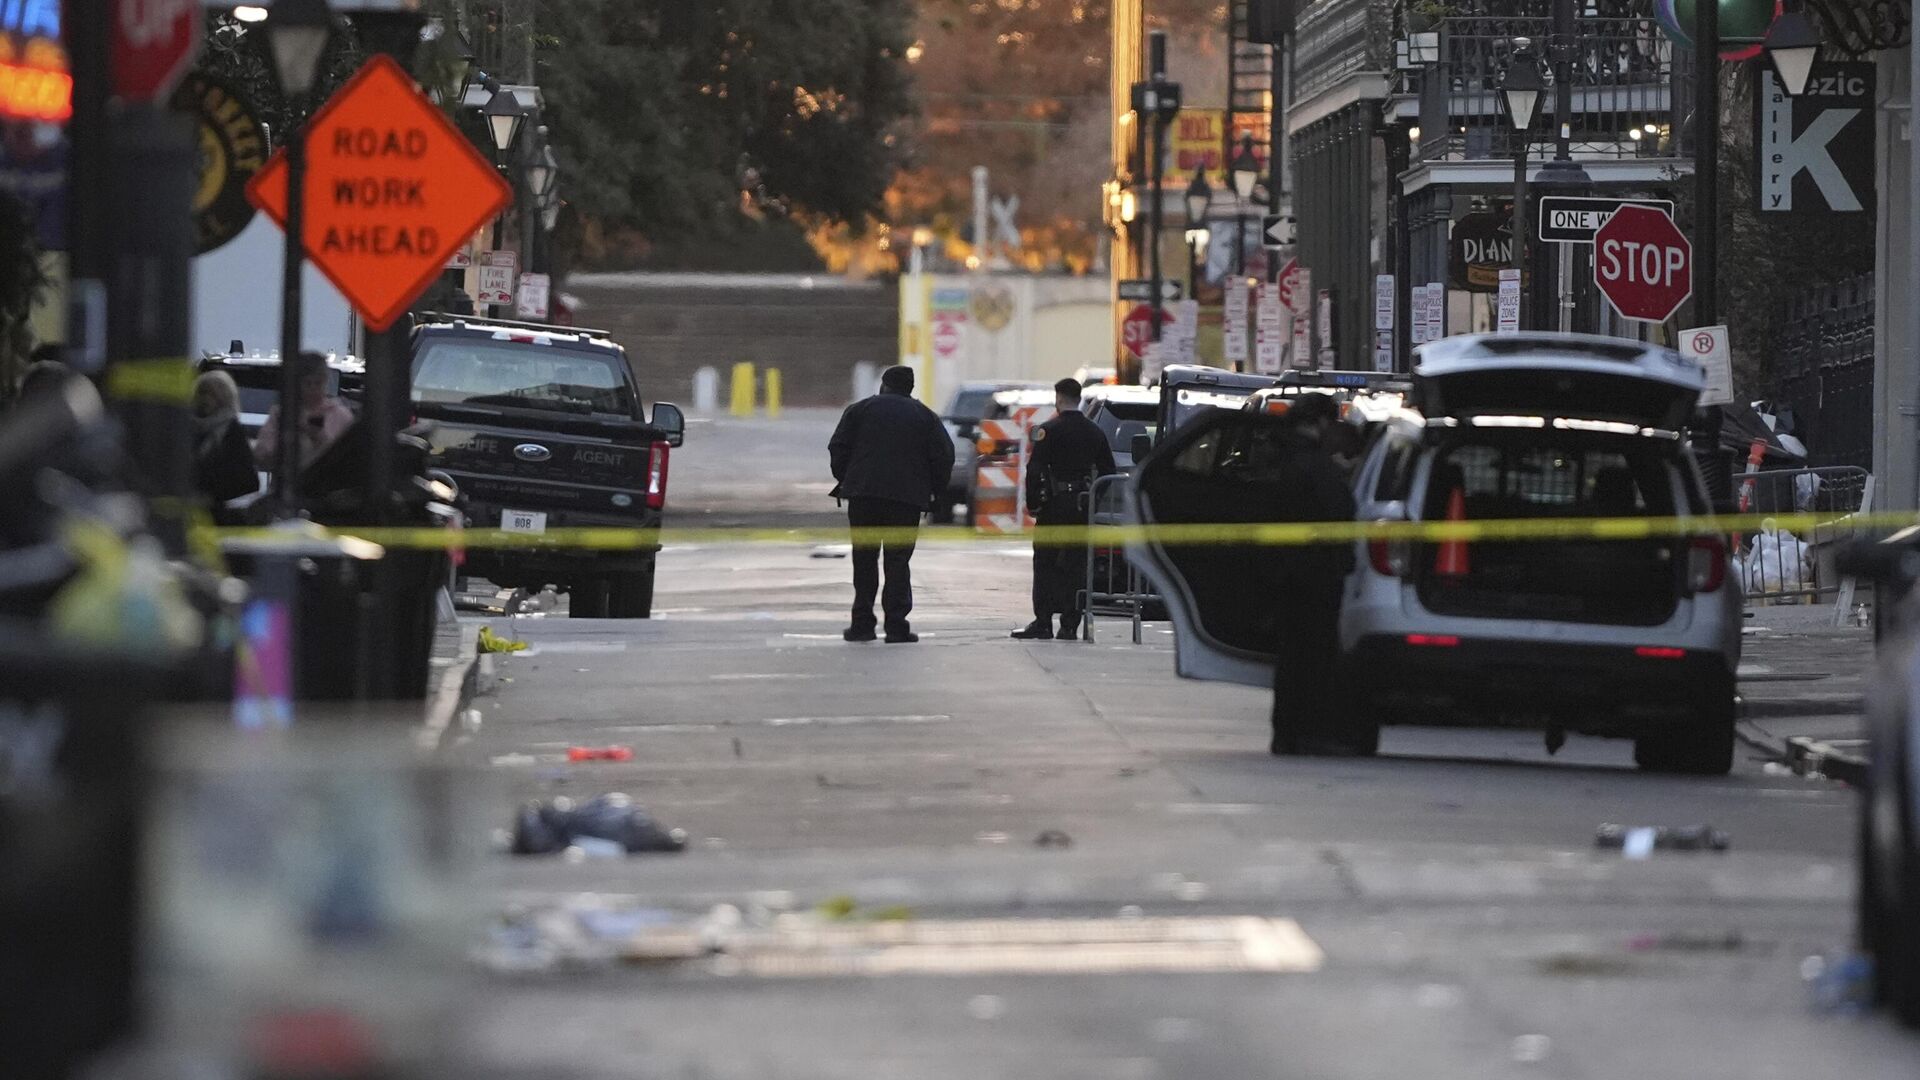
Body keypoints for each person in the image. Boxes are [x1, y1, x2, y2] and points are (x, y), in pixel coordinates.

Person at [1263, 392, 1360, 755]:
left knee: (1291, 656)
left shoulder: (1278, 458)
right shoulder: (1316, 465)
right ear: (1321, 422)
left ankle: (1286, 732)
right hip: (1315, 574)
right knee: (1315, 656)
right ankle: (1307, 732)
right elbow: (1341, 510)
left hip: (1285, 572)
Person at [828, 364, 955, 643]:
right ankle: (896, 626)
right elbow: (944, 456)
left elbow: (838, 447)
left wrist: (848, 479)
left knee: (864, 559)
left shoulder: (859, 410)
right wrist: (933, 491)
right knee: (897, 562)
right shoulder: (925, 416)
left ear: (883, 385)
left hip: (864, 498)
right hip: (905, 501)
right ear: (910, 388)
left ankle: (862, 624)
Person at [1012, 378, 1115, 641]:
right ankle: (1069, 625)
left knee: (1045, 562)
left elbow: (1034, 470)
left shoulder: (1048, 430)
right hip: (1081, 506)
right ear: (1078, 399)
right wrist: (1093, 499)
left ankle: (1043, 622)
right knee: (1076, 565)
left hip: (1053, 506)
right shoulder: (1094, 432)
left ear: (1058, 398)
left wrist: (1034, 503)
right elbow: (1108, 471)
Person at [253, 351, 353, 471]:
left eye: (318, 383)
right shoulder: (281, 414)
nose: (313, 389)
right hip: (289, 480)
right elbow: (261, 455)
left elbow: (350, 460)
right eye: (307, 383)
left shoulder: (340, 416)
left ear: (326, 382)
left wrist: (319, 437)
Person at [190, 370, 260, 512]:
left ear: (223, 399)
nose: (205, 399)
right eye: (202, 393)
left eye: (212, 395)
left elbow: (247, 482)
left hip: (220, 512)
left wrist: (214, 498)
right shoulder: (189, 430)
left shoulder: (232, 432)